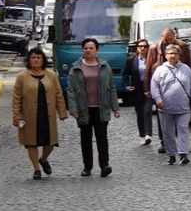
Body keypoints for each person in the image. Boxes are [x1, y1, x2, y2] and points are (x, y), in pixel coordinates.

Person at [63, 37, 119, 178]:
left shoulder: (105, 66)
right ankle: (87, 167)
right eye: (86, 48)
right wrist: (73, 109)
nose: (88, 50)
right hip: (84, 108)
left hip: (101, 107)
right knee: (86, 138)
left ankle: (104, 165)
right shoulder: (76, 68)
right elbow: (70, 90)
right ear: (82, 50)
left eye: (91, 48)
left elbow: (111, 87)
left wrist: (115, 107)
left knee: (102, 137)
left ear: (97, 50)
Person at [11, 47, 70, 181]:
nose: (35, 60)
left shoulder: (51, 75)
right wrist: (16, 115)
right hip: (29, 115)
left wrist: (61, 112)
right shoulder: (22, 77)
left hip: (47, 114)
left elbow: (58, 94)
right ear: (29, 60)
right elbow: (16, 97)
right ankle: (36, 169)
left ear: (43, 60)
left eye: (38, 57)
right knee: (31, 142)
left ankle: (43, 159)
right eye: (33, 57)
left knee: (50, 141)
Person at [149, 42, 191, 166]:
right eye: (170, 53)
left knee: (183, 130)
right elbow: (154, 86)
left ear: (179, 55)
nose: (173, 55)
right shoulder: (160, 70)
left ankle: (183, 154)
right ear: (166, 55)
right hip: (165, 108)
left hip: (183, 107)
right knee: (168, 133)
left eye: (175, 53)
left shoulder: (186, 69)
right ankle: (171, 155)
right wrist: (158, 100)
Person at [120, 39, 153, 146]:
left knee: (147, 111)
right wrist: (126, 86)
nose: (142, 48)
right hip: (136, 89)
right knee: (140, 112)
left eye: (145, 46)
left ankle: (148, 134)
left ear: (148, 48)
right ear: (137, 48)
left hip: (149, 88)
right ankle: (142, 135)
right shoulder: (131, 60)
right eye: (140, 46)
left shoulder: (151, 59)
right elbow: (125, 74)